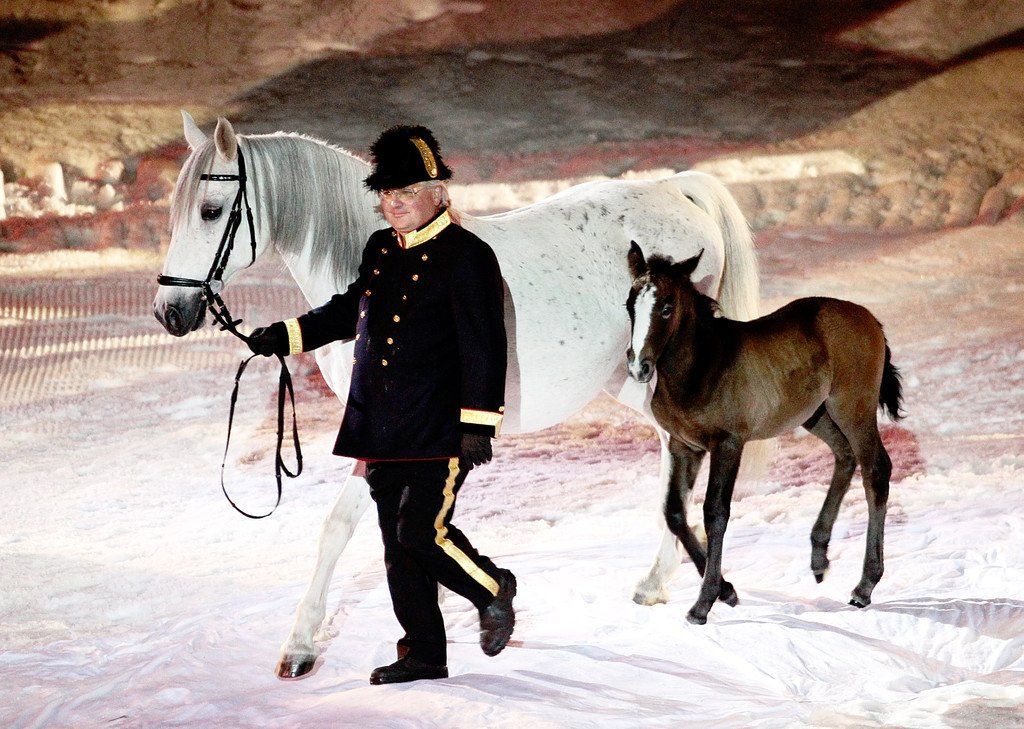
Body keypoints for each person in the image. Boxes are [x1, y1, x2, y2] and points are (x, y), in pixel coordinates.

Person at [246, 125, 515, 685]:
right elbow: (352, 309)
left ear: (438, 191)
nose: (395, 203)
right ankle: (424, 654)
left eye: (407, 191)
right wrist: (287, 335)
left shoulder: (468, 255)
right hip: (380, 422)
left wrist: (478, 424)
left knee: (421, 533)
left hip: (438, 425)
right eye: (387, 193)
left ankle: (491, 588)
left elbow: (485, 345)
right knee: (396, 546)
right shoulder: (380, 248)